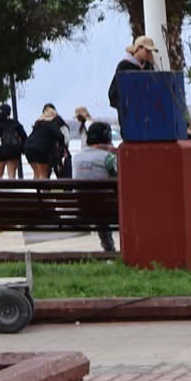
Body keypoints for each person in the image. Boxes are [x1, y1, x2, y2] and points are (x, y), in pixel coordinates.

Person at [73, 120, 119, 252]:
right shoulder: (109, 157)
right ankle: (110, 249)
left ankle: (108, 248)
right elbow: (118, 179)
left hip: (82, 207)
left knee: (99, 208)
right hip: (106, 209)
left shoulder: (77, 157)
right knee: (104, 207)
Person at [107, 35, 156, 109]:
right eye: (147, 51)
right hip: (129, 111)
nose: (149, 54)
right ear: (139, 48)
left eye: (150, 51)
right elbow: (114, 92)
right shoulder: (124, 66)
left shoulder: (149, 67)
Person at [23, 104, 69, 180]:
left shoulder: (37, 124)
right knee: (43, 174)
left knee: (36, 173)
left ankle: (36, 191)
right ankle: (43, 191)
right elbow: (60, 136)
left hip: (28, 149)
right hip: (41, 150)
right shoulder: (51, 124)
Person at [0, 103, 26, 179]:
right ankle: (11, 190)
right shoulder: (15, 123)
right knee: (12, 175)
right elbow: (24, 136)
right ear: (9, 112)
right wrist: (22, 149)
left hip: (0, 152)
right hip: (14, 152)